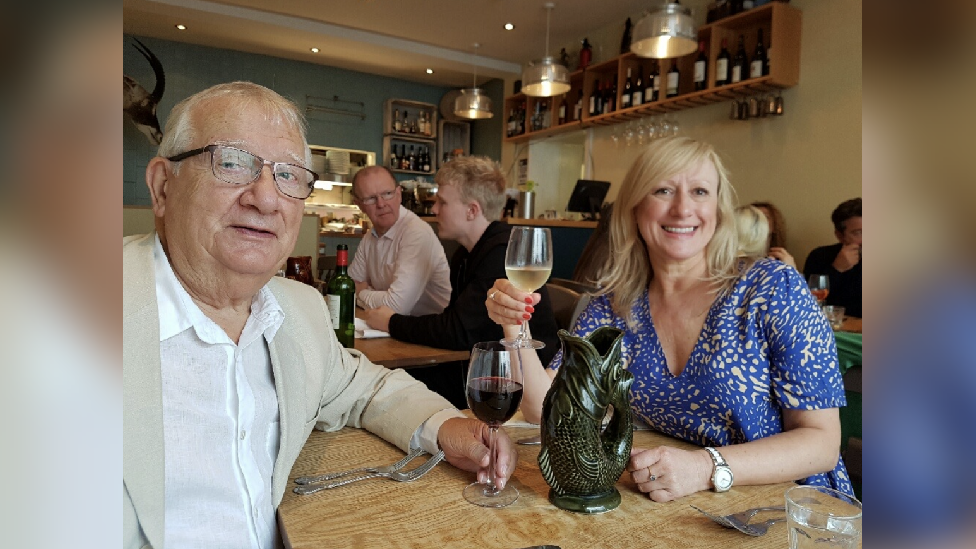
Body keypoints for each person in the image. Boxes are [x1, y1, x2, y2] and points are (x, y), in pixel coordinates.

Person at [123, 82, 517, 549]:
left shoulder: (299, 309)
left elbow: (366, 387)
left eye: (289, 176)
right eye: (230, 162)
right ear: (163, 186)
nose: (266, 198)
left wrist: (446, 427)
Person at [486, 136, 852, 503]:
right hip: (690, 508)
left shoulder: (772, 288)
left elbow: (820, 442)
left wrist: (705, 467)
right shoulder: (616, 305)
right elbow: (542, 407)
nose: (682, 209)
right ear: (634, 206)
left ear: (719, 210)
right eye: (662, 190)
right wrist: (514, 324)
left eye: (700, 192)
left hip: (795, 508)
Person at [360, 156, 560, 408]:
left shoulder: (500, 254)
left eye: (442, 202)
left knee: (392, 389)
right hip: (484, 368)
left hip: (524, 388)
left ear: (472, 210)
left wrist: (391, 322)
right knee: (389, 383)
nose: (434, 210)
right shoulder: (465, 254)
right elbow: (458, 325)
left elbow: (456, 331)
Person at [349, 166, 451, 315]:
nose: (381, 204)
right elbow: (346, 288)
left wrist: (362, 293)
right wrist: (369, 295)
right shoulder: (370, 237)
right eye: (371, 198)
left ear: (399, 194)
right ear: (359, 205)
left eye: (387, 194)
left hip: (430, 333)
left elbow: (397, 307)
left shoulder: (416, 232)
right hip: (394, 331)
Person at [803, 198, 862, 318]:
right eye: (858, 233)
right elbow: (808, 303)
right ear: (840, 236)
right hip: (832, 330)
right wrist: (836, 269)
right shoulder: (820, 256)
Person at [750, 201, 797, 268]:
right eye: (754, 217)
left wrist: (791, 269)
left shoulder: (782, 257)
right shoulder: (734, 258)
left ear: (775, 226)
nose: (758, 221)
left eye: (765, 217)